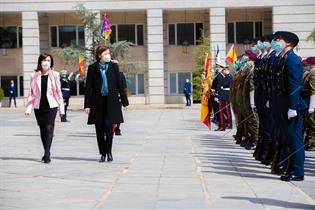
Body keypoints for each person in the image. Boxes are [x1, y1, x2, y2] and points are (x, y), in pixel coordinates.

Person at [84, 46, 129, 162]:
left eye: (108, 53)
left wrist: (125, 102)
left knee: (109, 129)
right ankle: (102, 153)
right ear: (99, 55)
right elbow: (88, 88)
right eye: (105, 53)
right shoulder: (92, 68)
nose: (108, 55)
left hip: (111, 102)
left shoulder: (114, 67)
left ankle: (109, 152)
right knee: (99, 129)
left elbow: (120, 85)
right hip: (97, 103)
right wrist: (87, 105)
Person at [25, 53, 65, 164]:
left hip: (51, 105)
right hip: (39, 106)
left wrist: (62, 110)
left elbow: (58, 92)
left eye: (48, 60)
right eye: (44, 60)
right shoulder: (34, 76)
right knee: (42, 129)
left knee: (49, 128)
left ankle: (47, 154)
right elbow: (32, 93)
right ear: (40, 62)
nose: (46, 62)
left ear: (51, 62)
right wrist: (28, 108)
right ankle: (46, 151)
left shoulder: (55, 75)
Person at [114, 71, 128, 136]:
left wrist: (124, 102)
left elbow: (124, 88)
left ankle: (117, 129)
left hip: (117, 97)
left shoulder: (121, 75)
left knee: (118, 114)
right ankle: (107, 130)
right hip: (107, 97)